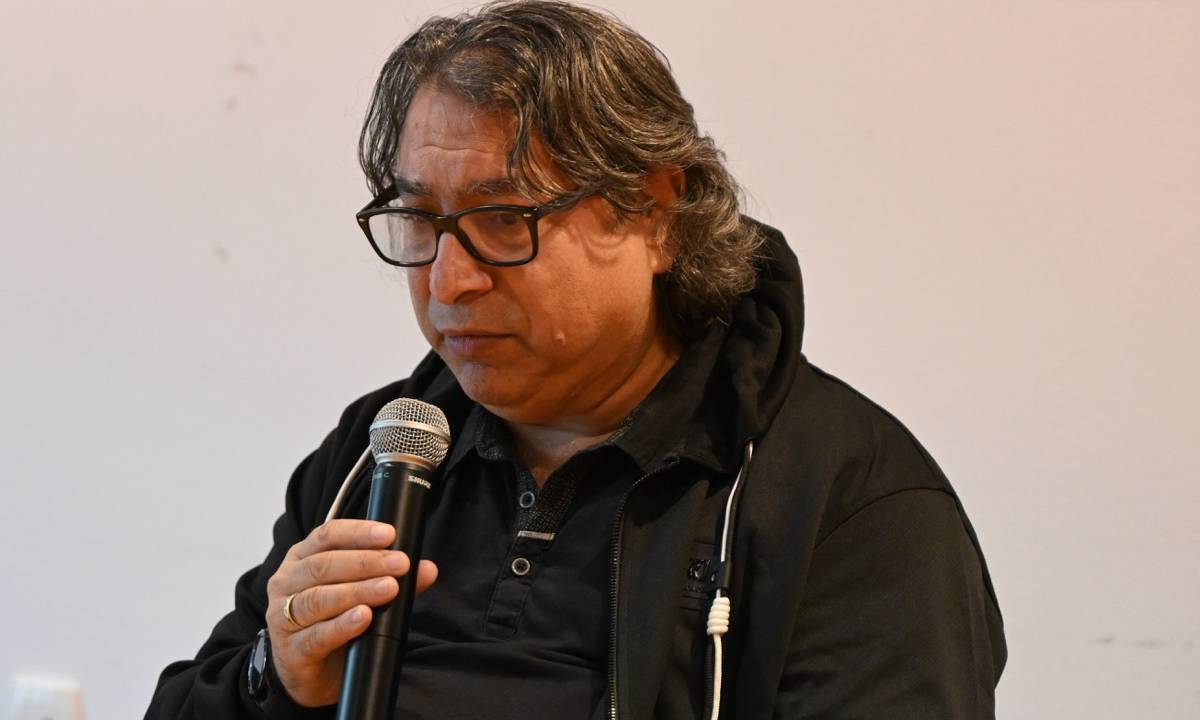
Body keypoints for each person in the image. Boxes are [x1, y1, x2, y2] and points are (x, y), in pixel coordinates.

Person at [145, 2, 1006, 718]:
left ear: (655, 213)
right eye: (420, 221)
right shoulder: (383, 455)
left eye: (502, 220)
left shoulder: (851, 502)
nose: (449, 280)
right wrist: (276, 676)